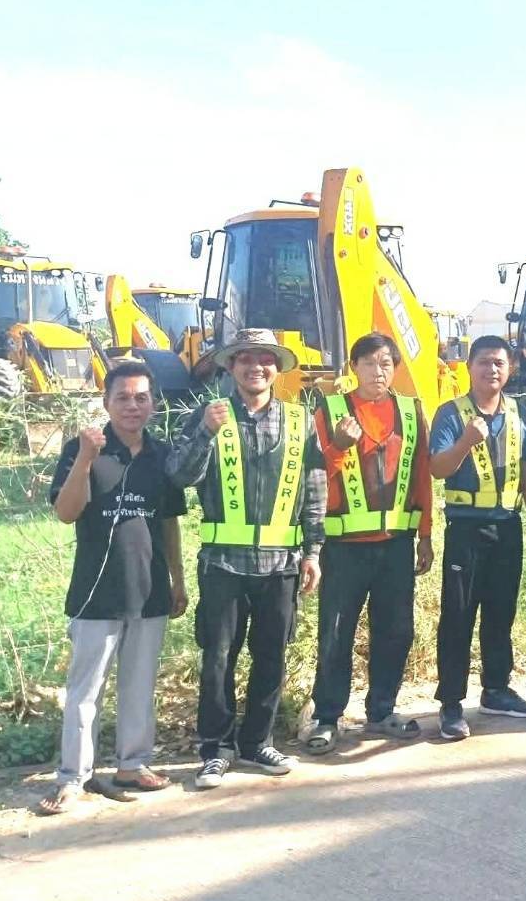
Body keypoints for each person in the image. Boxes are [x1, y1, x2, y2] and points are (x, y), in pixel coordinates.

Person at [166, 328, 326, 789]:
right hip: (223, 565)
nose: (256, 366)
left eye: (265, 359)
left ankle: (257, 741)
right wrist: (205, 432)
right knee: (218, 658)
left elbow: (314, 488)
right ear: (231, 367)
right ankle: (216, 749)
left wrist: (314, 551)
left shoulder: (299, 420)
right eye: (245, 359)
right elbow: (178, 475)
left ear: (276, 368)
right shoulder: (208, 416)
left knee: (271, 656)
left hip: (281, 565)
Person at [38, 361, 187, 815]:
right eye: (122, 397)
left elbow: (169, 521)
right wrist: (86, 458)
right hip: (95, 593)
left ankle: (132, 764)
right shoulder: (83, 449)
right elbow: (66, 512)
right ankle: (73, 777)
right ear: (106, 403)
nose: (132, 406)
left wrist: (177, 579)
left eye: (141, 397)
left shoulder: (161, 455)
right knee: (85, 691)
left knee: (139, 686)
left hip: (149, 589)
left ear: (154, 404)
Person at [303, 333, 434, 753]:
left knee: (396, 630)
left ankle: (381, 710)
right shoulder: (330, 411)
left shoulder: (411, 412)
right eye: (369, 363)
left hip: (396, 545)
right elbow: (312, 475)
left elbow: (422, 475)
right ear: (353, 367)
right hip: (344, 547)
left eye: (386, 363)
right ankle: (327, 717)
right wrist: (338, 447)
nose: (378, 372)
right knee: (335, 633)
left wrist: (426, 534)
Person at [428, 335, 526, 740]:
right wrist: (465, 441)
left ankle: (496, 690)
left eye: (499, 362)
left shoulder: (516, 413)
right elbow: (437, 468)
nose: (491, 369)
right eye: (483, 362)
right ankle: (450, 703)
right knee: (458, 616)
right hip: (466, 529)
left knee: (501, 613)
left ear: (509, 368)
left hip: (508, 526)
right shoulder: (451, 413)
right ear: (469, 367)